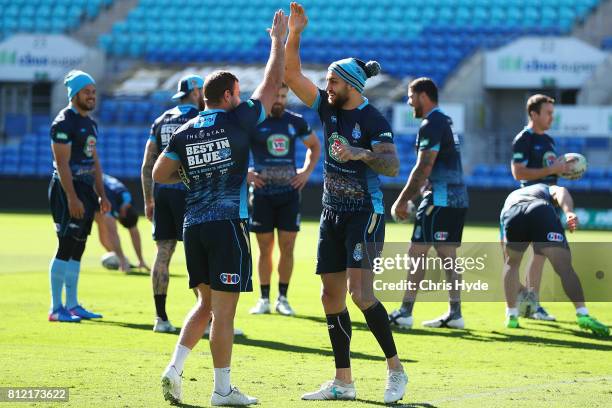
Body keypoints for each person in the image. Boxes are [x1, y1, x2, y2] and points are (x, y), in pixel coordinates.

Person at [154, 10, 287, 406]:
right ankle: (222, 390)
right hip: (227, 224)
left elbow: (161, 173)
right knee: (224, 314)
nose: (243, 97)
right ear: (227, 96)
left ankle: (174, 369)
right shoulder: (238, 120)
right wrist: (278, 41)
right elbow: (272, 84)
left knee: (204, 304)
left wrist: (197, 175)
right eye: (238, 92)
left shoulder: (185, 128)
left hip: (193, 225)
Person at [284, 3, 407, 404]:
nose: (326, 87)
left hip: (365, 214)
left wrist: (361, 152)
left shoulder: (373, 120)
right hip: (331, 212)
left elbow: (391, 165)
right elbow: (291, 75)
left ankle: (395, 370)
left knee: (360, 293)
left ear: (351, 85)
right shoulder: (327, 108)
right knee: (330, 297)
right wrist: (295, 33)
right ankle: (344, 382)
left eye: (332, 82)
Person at [388, 77, 469, 330]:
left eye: (411, 96)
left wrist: (402, 200)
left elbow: (424, 166)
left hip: (441, 198)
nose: (409, 101)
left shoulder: (431, 123)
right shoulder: (444, 120)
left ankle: (405, 312)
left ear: (423, 96)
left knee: (417, 253)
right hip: (456, 197)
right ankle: (455, 314)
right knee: (448, 256)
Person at [248, 82, 321, 316]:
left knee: (287, 248)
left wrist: (306, 172)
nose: (279, 99)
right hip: (261, 194)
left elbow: (315, 146)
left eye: (283, 95)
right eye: (276, 95)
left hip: (289, 193)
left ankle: (283, 298)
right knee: (264, 249)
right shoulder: (253, 120)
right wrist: (245, 173)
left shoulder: (295, 121)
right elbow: (233, 148)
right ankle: (263, 299)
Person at [499, 183, 609, 337]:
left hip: (511, 213)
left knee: (511, 264)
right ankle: (582, 314)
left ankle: (511, 315)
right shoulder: (544, 187)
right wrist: (569, 212)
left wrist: (522, 290)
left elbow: (504, 249)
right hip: (539, 209)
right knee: (565, 268)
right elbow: (561, 191)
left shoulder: (512, 196)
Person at [141, 74, 205, 333]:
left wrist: (148, 199)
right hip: (188, 193)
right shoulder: (198, 119)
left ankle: (161, 318)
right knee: (198, 255)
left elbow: (147, 165)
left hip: (162, 193)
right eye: (201, 90)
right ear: (195, 92)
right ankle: (208, 319)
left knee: (163, 253)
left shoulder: (161, 120)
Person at [48, 70, 110, 322]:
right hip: (67, 189)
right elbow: (62, 164)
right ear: (74, 94)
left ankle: (72, 304)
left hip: (85, 189)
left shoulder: (91, 123)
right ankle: (56, 308)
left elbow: (94, 161)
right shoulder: (63, 123)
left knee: (79, 246)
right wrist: (72, 198)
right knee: (65, 244)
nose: (91, 96)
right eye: (87, 91)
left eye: (93, 91)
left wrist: (102, 195)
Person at [510, 94, 571, 321]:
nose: (551, 117)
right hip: (529, 204)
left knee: (540, 255)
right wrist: (551, 170)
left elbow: (550, 170)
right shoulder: (523, 139)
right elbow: (518, 172)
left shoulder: (549, 141)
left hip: (548, 204)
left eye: (552, 113)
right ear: (533, 114)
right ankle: (522, 303)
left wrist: (564, 170)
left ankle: (531, 304)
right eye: (548, 113)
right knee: (515, 259)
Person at [95, 174, 149, 272]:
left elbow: (133, 229)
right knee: (105, 227)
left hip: (102, 185)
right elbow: (113, 233)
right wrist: (122, 260)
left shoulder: (128, 201)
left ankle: (124, 258)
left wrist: (141, 260)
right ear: (122, 215)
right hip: (90, 185)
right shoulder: (111, 201)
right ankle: (120, 259)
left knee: (105, 226)